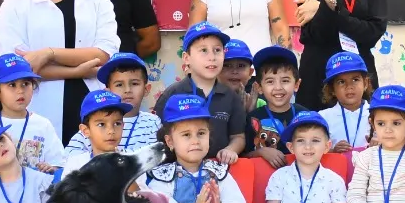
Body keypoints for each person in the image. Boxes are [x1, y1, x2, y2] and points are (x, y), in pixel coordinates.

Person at [0, 0, 119, 148]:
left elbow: (103, 54)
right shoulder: (16, 4)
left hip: (90, 110)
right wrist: (77, 70)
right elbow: (15, 69)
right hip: (36, 110)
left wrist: (47, 54)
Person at [152, 23, 246, 164]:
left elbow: (238, 136)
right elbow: (158, 138)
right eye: (203, 50)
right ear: (186, 58)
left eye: (217, 50)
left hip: (219, 170)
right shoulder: (172, 94)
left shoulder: (230, 96)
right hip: (178, 171)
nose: (212, 57)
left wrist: (231, 149)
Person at [62, 53, 163, 170]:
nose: (127, 90)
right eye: (119, 85)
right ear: (108, 91)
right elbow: (70, 157)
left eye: (134, 84)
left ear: (146, 89)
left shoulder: (152, 122)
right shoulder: (95, 122)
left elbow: (157, 160)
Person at [0, 53, 62, 172]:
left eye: (25, 84)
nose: (20, 91)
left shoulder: (43, 125)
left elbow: (58, 163)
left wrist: (51, 168)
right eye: (12, 85)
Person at [247, 46, 301, 167]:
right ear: (259, 87)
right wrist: (261, 151)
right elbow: (244, 155)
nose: (278, 87)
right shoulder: (253, 117)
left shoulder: (304, 115)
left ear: (296, 84)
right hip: (263, 182)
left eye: (285, 81)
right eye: (270, 81)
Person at [317, 52, 372, 152]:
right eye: (341, 82)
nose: (349, 86)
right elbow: (313, 150)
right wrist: (332, 151)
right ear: (332, 89)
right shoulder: (322, 117)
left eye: (355, 79)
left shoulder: (376, 114)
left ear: (365, 83)